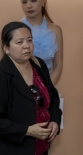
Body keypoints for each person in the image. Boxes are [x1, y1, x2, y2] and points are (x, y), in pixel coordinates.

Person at [0, 21, 62, 155]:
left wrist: (55, 121)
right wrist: (26, 130)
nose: (26, 46)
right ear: (6, 48)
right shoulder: (2, 74)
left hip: (41, 147)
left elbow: (53, 98)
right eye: (19, 42)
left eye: (29, 40)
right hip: (13, 149)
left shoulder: (38, 64)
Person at [19, 0, 63, 85]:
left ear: (43, 0)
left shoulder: (55, 30)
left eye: (33, 0)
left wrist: (46, 89)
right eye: (24, 2)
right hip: (20, 88)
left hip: (47, 86)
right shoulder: (16, 29)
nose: (29, 6)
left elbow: (58, 66)